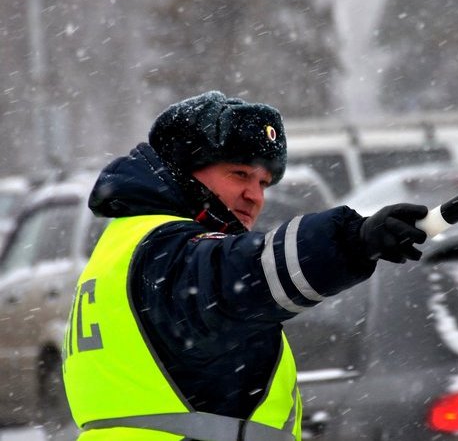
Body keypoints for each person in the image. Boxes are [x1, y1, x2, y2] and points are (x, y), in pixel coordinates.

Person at [62, 90, 428, 441]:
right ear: (183, 171)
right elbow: (242, 272)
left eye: (264, 182)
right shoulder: (166, 251)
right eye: (239, 174)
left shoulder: (128, 244)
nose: (254, 195)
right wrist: (353, 239)